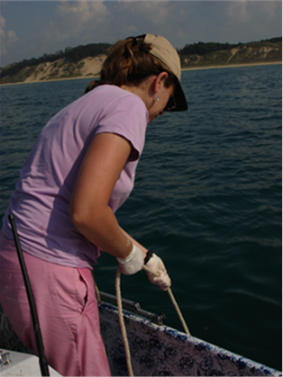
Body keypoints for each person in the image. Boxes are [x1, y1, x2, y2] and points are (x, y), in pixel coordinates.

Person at [0, 34, 188, 376]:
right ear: (160, 82)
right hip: (51, 272)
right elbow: (87, 212)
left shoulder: (84, 104)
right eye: (169, 103)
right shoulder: (129, 106)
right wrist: (129, 255)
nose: (162, 112)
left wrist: (143, 256)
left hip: (17, 263)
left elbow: (64, 200)